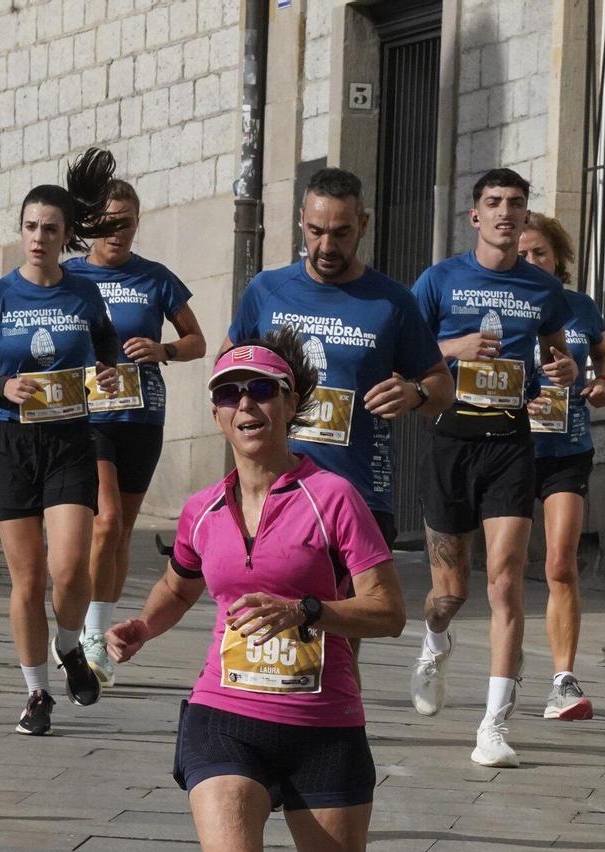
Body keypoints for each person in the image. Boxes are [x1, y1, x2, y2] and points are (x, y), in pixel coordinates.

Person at [105, 333, 406, 852]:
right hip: (223, 717)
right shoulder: (202, 508)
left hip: (322, 730)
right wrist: (143, 623)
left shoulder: (331, 498)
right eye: (232, 394)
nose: (247, 407)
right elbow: (182, 580)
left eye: (263, 393)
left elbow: (387, 610)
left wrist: (309, 611)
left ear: (290, 406)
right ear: (215, 411)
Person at [0, 148, 124, 737]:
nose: (38, 238)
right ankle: (36, 692)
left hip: (72, 440)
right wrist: (3, 384)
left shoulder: (83, 295)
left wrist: (110, 375)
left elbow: (111, 356)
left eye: (50, 229)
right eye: (30, 227)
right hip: (11, 445)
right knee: (28, 580)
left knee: (71, 570)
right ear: (20, 232)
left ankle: (70, 646)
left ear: (67, 235)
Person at [409, 169, 578, 767]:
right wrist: (454, 350)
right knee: (448, 592)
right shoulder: (440, 281)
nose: (506, 213)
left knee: (505, 584)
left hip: (510, 442)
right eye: (494, 203)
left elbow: (559, 355)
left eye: (516, 204)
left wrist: (562, 373)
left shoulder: (540, 289)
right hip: (449, 437)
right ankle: (434, 642)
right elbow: (404, 351)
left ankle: (493, 727)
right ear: (475, 216)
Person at [224, 167, 451, 548]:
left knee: (359, 609)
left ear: (363, 225)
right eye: (316, 231)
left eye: (341, 232)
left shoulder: (391, 302)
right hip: (273, 491)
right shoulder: (266, 290)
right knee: (269, 607)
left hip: (360, 495)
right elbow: (226, 374)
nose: (326, 246)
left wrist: (415, 394)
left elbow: (442, 386)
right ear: (301, 221)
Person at [62, 179, 205, 683]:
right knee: (106, 521)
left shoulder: (155, 278)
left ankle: (94, 624)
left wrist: (163, 350)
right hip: (89, 415)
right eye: (107, 222)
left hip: (141, 414)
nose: (116, 232)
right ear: (89, 225)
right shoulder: (69, 274)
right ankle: (93, 633)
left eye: (126, 221)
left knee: (121, 531)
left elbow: (197, 341)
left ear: (137, 224)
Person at [519, 214, 605, 722]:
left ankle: (563, 680)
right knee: (502, 570)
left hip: (567, 448)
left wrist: (601, 382)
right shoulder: (503, 303)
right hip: (509, 449)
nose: (531, 261)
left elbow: (604, 354)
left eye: (540, 252)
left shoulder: (580, 307)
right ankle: (503, 663)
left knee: (560, 562)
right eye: (522, 253)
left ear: (558, 257)